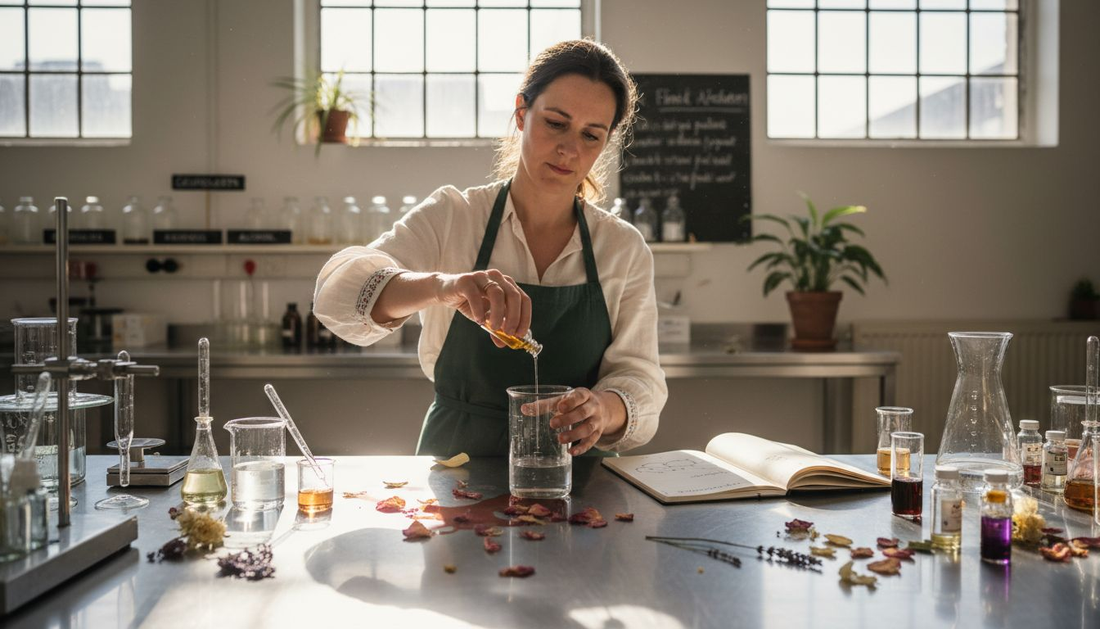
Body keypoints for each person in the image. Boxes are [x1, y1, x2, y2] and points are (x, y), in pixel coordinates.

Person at [313, 39, 667, 457]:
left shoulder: (622, 248)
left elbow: (641, 379)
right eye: (556, 123)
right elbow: (335, 298)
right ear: (521, 113)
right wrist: (443, 287)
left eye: (591, 135)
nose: (570, 149)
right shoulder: (454, 216)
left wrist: (602, 410)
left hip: (575, 477)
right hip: (455, 470)